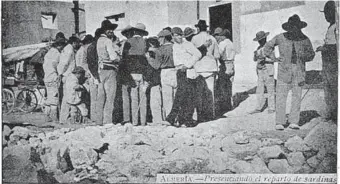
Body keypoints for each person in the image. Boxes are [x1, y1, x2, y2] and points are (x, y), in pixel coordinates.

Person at [264, 14, 315, 130]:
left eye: (296, 27)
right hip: (283, 72)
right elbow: (267, 47)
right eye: (292, 27)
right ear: (288, 27)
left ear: (299, 27)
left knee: (296, 97)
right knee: (281, 97)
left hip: (299, 72)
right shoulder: (280, 37)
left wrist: (304, 56)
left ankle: (294, 121)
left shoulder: (305, 39)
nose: (294, 29)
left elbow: (311, 54)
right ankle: (280, 122)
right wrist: (274, 58)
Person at [166, 27, 202, 127]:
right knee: (181, 96)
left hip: (188, 72)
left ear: (182, 35)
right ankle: (180, 119)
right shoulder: (174, 46)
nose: (177, 37)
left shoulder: (188, 44)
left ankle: (179, 119)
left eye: (179, 35)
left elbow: (198, 54)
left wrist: (188, 65)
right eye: (174, 35)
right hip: (179, 71)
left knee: (186, 96)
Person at [191, 20, 220, 121]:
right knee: (210, 92)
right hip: (210, 68)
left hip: (199, 68)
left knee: (199, 93)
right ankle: (210, 115)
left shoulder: (194, 38)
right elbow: (217, 55)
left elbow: (192, 53)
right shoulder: (212, 38)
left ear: (198, 28)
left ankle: (200, 115)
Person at [121, 23, 149, 126]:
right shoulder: (145, 42)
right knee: (143, 98)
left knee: (134, 98)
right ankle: (143, 121)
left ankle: (134, 121)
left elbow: (123, 59)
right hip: (143, 73)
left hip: (132, 72)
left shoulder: (128, 42)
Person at [316, 0, 338, 122]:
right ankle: (331, 113)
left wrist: (323, 48)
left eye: (327, 14)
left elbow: (335, 47)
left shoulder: (336, 27)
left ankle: (334, 115)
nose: (325, 16)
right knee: (328, 89)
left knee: (333, 89)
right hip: (328, 64)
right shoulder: (331, 26)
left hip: (333, 65)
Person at [96, 20, 120, 125]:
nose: (111, 31)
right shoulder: (108, 41)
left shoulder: (98, 41)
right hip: (110, 69)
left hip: (101, 69)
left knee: (101, 96)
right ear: (105, 30)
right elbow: (113, 57)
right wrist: (119, 57)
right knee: (110, 97)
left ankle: (98, 120)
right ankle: (107, 121)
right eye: (109, 29)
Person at [249, 31, 276, 114]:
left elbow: (273, 59)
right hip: (260, 71)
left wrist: (264, 58)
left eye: (261, 39)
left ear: (265, 38)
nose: (259, 41)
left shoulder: (270, 47)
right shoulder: (258, 48)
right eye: (258, 40)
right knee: (259, 90)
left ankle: (271, 107)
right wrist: (255, 56)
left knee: (270, 89)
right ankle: (258, 107)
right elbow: (255, 60)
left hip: (268, 70)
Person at [43, 37, 66, 122]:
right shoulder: (57, 54)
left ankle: (46, 116)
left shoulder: (48, 53)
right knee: (54, 99)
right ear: (59, 45)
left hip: (46, 78)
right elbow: (59, 67)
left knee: (49, 98)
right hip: (53, 77)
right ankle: (54, 118)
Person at [213, 27, 236, 116]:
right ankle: (229, 105)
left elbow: (218, 54)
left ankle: (223, 107)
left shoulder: (223, 43)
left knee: (221, 86)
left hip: (225, 65)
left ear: (222, 36)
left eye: (218, 35)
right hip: (231, 64)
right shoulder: (231, 43)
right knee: (229, 85)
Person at [86, 28, 102, 124]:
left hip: (96, 74)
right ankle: (95, 118)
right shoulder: (93, 47)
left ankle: (95, 117)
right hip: (95, 75)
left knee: (96, 97)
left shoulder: (93, 46)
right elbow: (91, 63)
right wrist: (96, 76)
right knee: (95, 97)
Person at [119, 25, 134, 124]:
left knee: (126, 96)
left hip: (126, 72)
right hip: (133, 71)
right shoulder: (138, 43)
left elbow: (122, 59)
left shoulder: (125, 44)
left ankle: (127, 118)